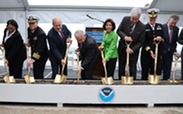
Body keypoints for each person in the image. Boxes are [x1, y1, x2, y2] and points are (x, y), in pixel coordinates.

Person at [117, 7, 145, 80]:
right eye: (132, 19)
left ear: (139, 17)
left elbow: (141, 42)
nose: (133, 21)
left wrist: (132, 50)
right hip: (122, 48)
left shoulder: (142, 27)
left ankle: (133, 82)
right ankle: (121, 81)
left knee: (132, 67)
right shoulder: (125, 19)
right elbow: (119, 30)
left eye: (136, 19)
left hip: (133, 50)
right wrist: (125, 37)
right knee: (121, 66)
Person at [141, 8, 164, 80]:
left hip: (157, 53)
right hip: (147, 53)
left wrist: (161, 39)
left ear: (156, 17)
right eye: (151, 18)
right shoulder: (144, 27)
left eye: (154, 18)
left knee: (155, 71)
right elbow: (143, 41)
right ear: (148, 17)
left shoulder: (160, 26)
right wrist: (149, 51)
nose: (152, 19)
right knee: (145, 72)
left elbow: (164, 39)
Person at [161, 14, 180, 80]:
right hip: (161, 53)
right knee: (158, 70)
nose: (173, 25)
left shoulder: (176, 29)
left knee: (167, 71)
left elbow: (174, 42)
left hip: (169, 53)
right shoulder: (162, 27)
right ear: (168, 20)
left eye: (175, 24)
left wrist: (174, 51)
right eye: (172, 23)